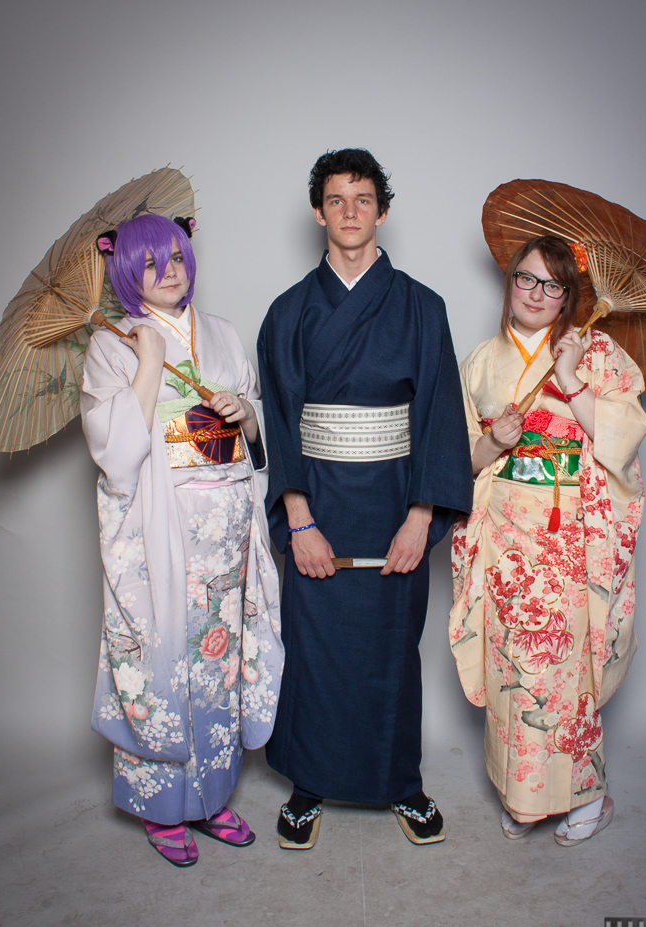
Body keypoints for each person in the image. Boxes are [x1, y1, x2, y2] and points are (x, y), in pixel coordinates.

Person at [257, 148, 471, 849]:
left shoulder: (422, 307)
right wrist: (299, 521)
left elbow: (439, 416)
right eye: (336, 200)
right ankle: (309, 783)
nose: (350, 212)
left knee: (392, 649)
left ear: (382, 209)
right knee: (313, 646)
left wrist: (420, 517)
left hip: (394, 502)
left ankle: (400, 782)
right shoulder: (288, 312)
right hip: (316, 499)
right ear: (318, 212)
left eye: (363, 199)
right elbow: (280, 423)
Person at [82, 214, 282, 866]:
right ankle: (159, 807)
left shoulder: (220, 332)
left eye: (175, 257)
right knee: (160, 658)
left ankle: (211, 798)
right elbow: (116, 455)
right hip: (161, 529)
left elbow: (255, 419)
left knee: (217, 661)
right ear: (124, 271)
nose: (167, 271)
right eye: (148, 263)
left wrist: (244, 413)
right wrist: (147, 364)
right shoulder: (113, 344)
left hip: (225, 532)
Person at [449, 235, 646, 845]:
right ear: (510, 282)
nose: (537, 294)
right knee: (511, 665)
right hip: (504, 537)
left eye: (553, 284)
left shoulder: (595, 352)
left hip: (569, 538)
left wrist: (570, 378)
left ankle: (584, 793)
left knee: (565, 666)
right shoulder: (481, 361)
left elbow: (623, 439)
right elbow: (460, 461)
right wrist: (495, 441)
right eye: (527, 279)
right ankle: (523, 794)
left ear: (569, 295)